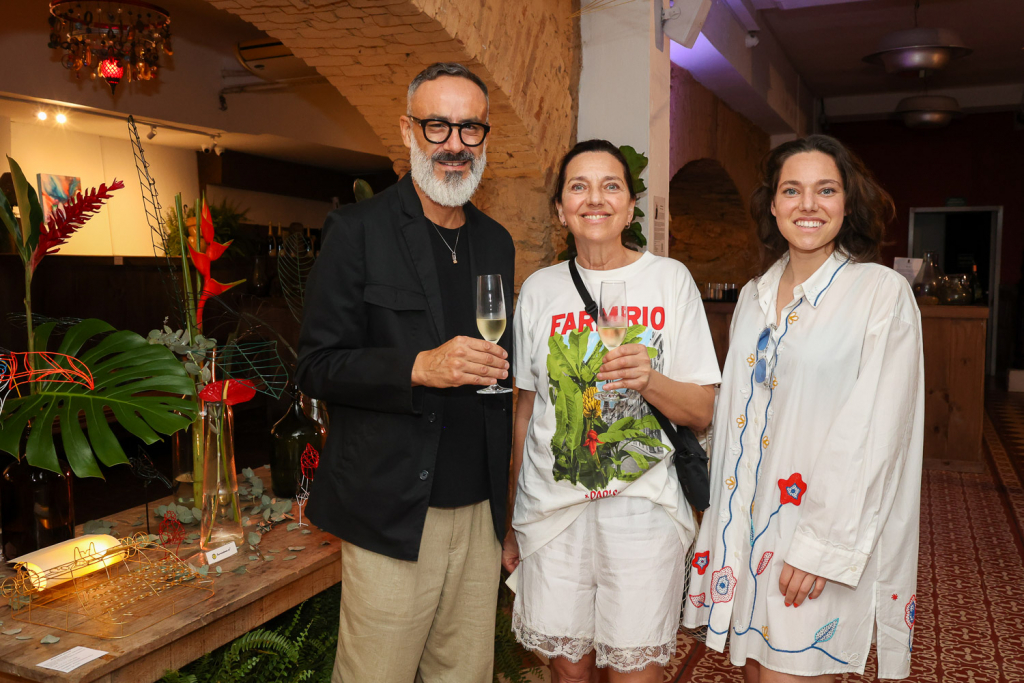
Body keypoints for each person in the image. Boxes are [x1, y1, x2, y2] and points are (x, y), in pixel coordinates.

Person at [295, 62, 515, 683]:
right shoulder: (357, 231)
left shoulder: (496, 242)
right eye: (437, 125)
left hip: (477, 512)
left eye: (470, 129)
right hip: (392, 506)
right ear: (407, 130)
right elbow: (315, 366)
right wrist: (419, 367)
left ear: (485, 137)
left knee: (464, 675)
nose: (454, 145)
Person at [682, 135, 924, 682]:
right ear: (773, 204)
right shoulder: (754, 296)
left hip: (814, 538)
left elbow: (876, 432)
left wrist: (821, 547)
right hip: (747, 532)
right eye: (792, 190)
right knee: (753, 673)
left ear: (847, 202)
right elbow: (736, 412)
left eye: (826, 190)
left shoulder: (879, 295)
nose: (808, 205)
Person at [504, 139, 721, 682]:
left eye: (611, 186)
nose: (594, 198)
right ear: (560, 209)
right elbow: (524, 415)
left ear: (629, 207)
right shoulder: (539, 290)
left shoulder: (670, 282)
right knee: (568, 672)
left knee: (634, 673)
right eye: (578, 186)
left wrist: (649, 379)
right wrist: (510, 519)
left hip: (642, 512)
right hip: (553, 511)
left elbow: (701, 410)